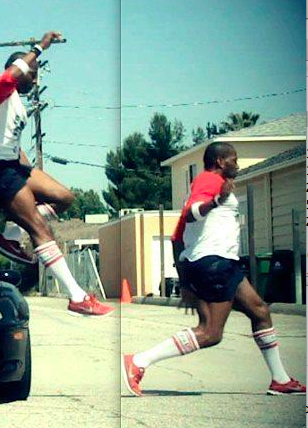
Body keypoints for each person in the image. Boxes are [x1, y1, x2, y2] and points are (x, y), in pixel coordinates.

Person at [122, 142, 306, 396]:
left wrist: (185, 281)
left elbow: (177, 236)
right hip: (214, 263)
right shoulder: (209, 180)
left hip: (220, 263)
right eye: (234, 160)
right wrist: (217, 201)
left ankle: (280, 379)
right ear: (220, 161)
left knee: (260, 311)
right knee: (210, 332)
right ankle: (139, 361)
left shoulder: (212, 183)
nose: (237, 165)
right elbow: (191, 212)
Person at [0, 31, 112, 317]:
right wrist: (40, 48)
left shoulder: (18, 104)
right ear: (19, 71)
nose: (35, 80)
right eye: (33, 74)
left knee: (64, 197)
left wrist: (28, 170)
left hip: (13, 165)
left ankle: (11, 233)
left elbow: (12, 144)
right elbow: (8, 79)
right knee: (40, 230)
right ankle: (77, 296)